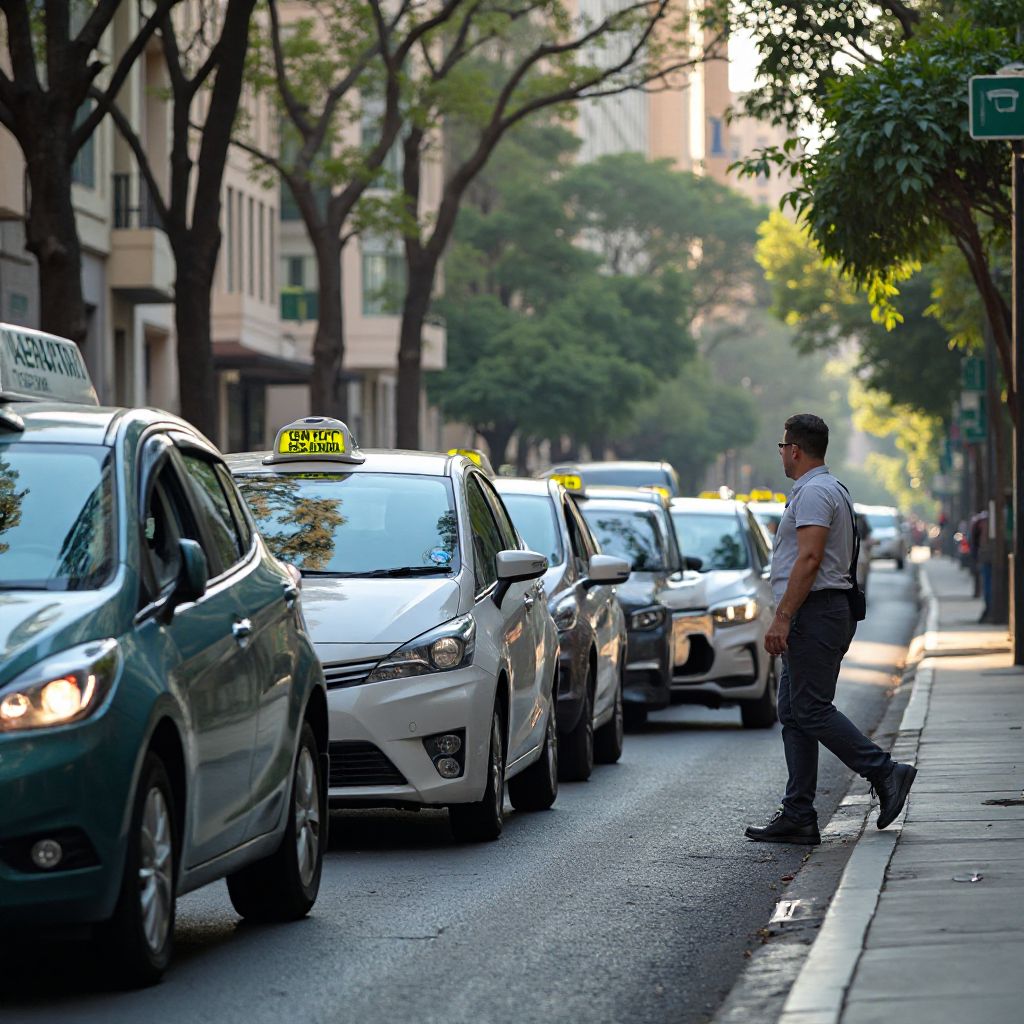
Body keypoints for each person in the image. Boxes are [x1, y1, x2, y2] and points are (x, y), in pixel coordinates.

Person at [745, 414, 917, 845]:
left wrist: (783, 616)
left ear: (796, 450)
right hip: (820, 611)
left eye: (783, 446)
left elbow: (809, 559)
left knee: (811, 709)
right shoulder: (825, 488)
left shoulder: (816, 493)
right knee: (794, 713)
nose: (782, 453)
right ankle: (799, 813)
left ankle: (885, 772)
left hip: (816, 614)